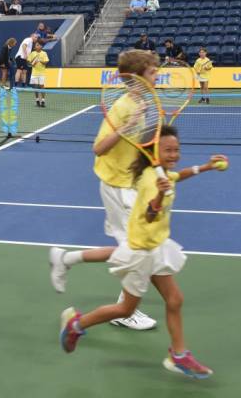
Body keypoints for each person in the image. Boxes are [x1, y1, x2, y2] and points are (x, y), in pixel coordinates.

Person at [57, 125, 225, 379]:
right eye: (168, 150)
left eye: (177, 150)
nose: (174, 155)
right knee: (125, 309)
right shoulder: (150, 181)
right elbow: (149, 213)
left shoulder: (164, 174)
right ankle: (76, 325)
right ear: (154, 152)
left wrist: (206, 167)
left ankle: (179, 356)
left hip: (155, 247)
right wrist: (158, 197)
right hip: (141, 253)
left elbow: (180, 175)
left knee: (175, 300)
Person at [49, 50, 158, 330]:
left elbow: (136, 146)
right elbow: (98, 148)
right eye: (152, 72)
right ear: (135, 79)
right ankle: (125, 310)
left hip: (129, 183)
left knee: (132, 247)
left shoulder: (142, 101)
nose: (157, 75)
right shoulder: (123, 107)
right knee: (137, 249)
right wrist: (129, 125)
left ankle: (65, 258)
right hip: (117, 186)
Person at [27, 41, 49, 107]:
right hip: (34, 73)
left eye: (39, 45)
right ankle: (37, 100)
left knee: (42, 87)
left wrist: (40, 61)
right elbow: (28, 63)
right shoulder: (32, 53)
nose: (38, 46)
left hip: (42, 73)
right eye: (37, 45)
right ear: (35, 47)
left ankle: (43, 101)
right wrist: (32, 63)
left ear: (41, 46)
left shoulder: (44, 53)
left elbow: (46, 62)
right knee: (35, 87)